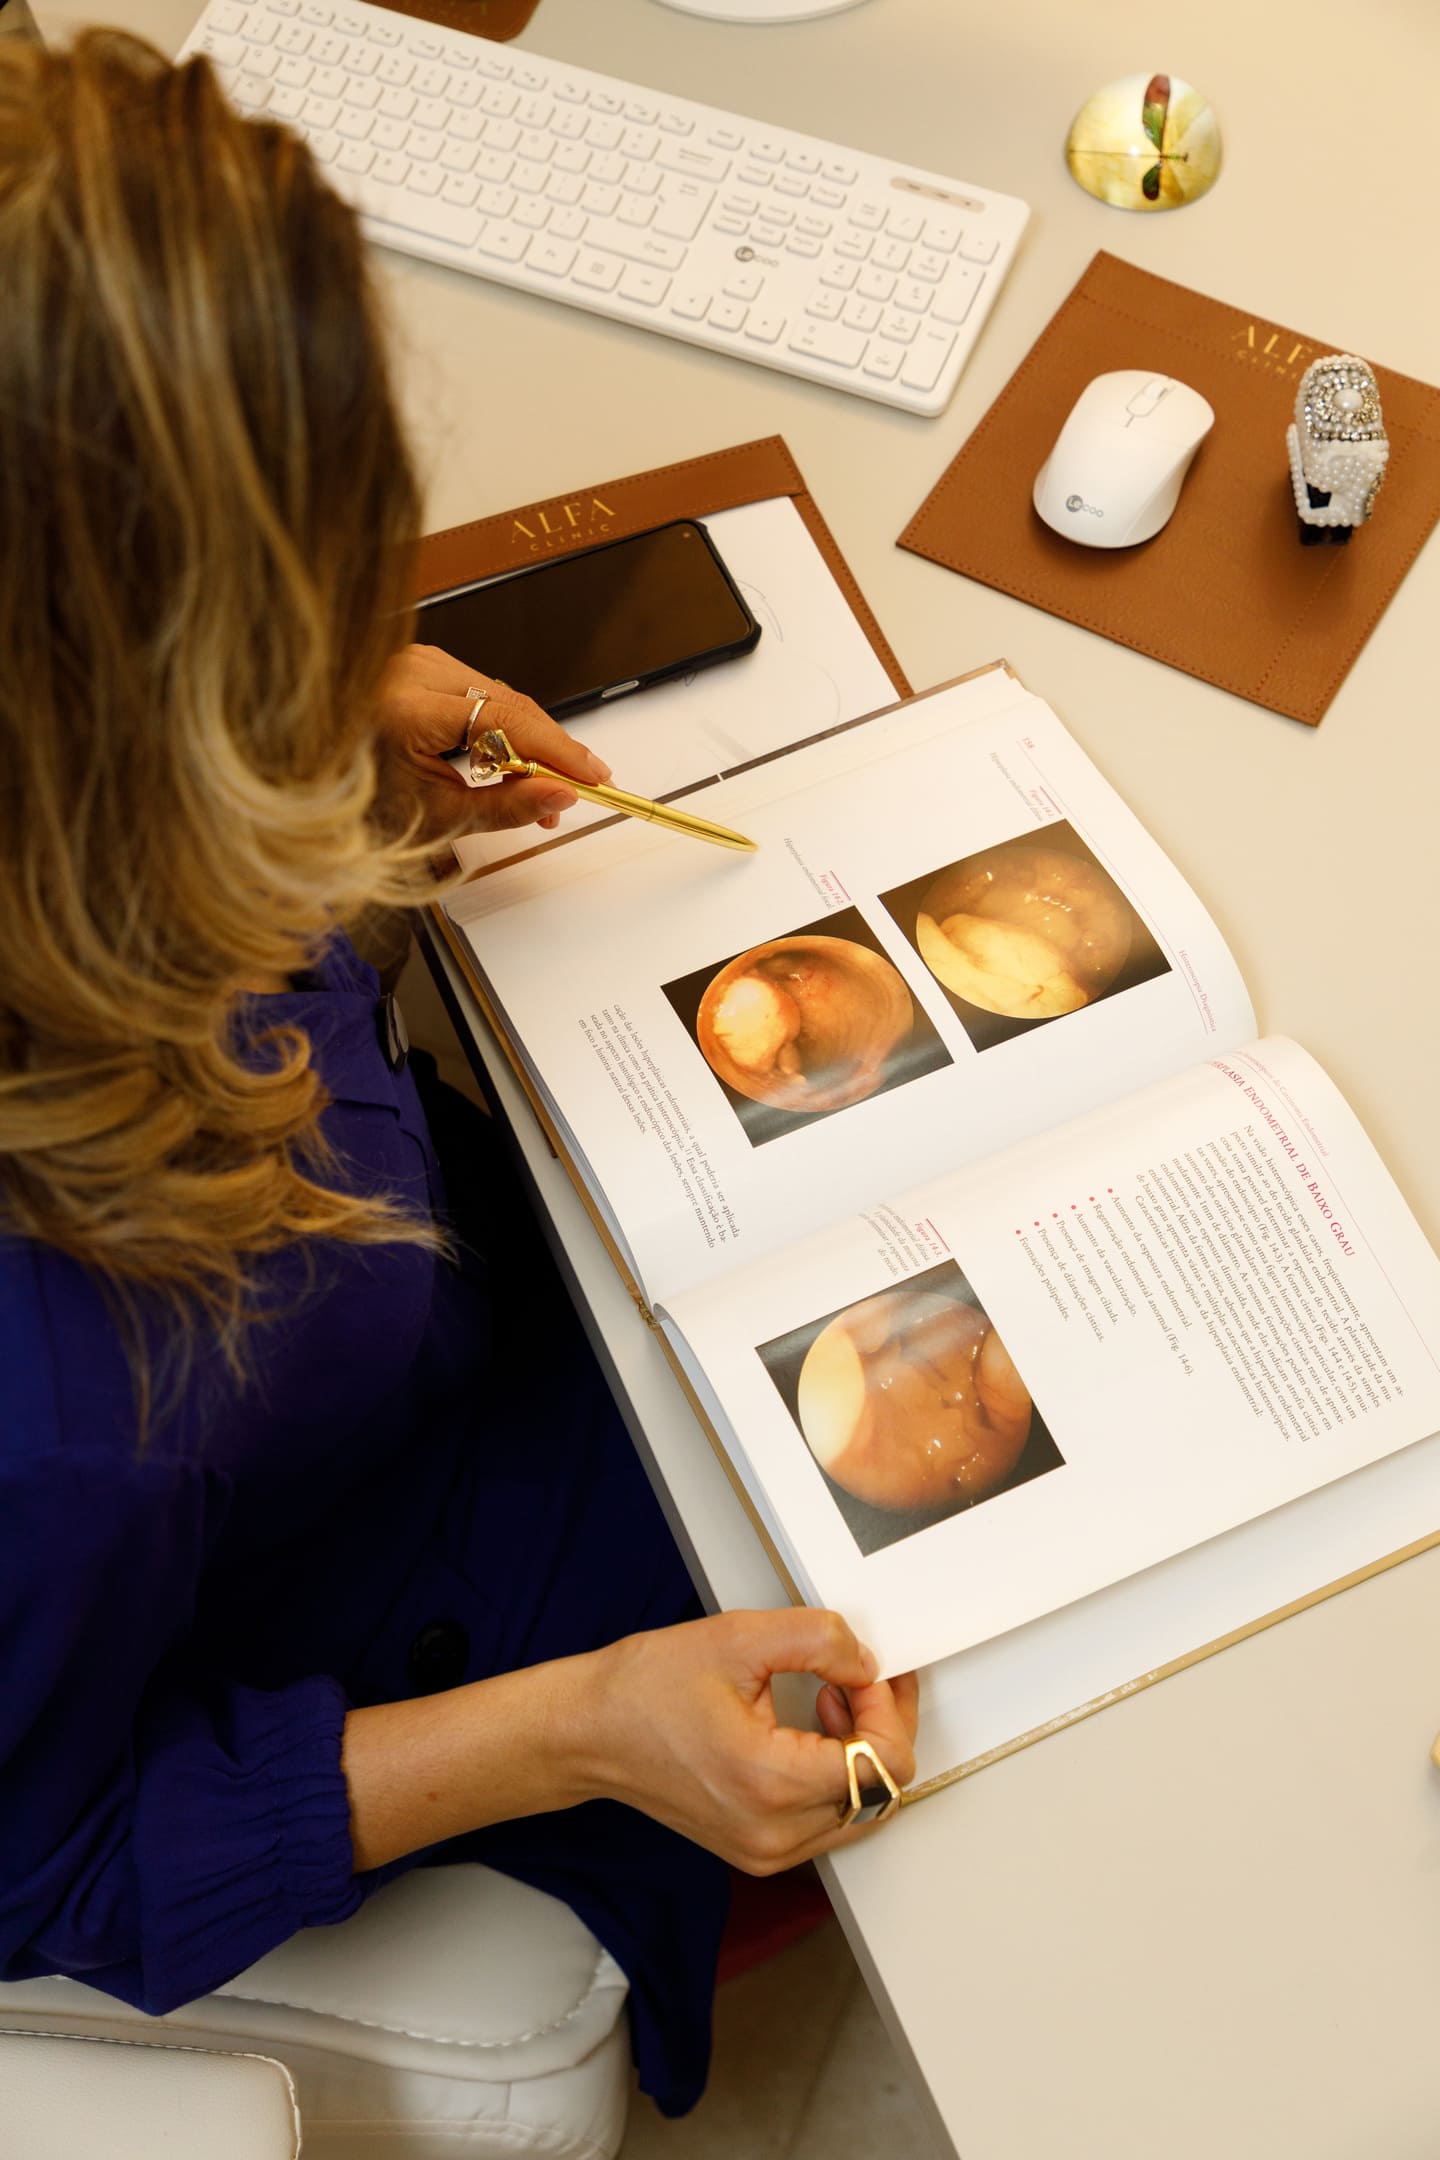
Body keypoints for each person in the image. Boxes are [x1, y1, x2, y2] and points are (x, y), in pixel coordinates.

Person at [0, 30, 917, 2116]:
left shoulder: (113, 839)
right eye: (307, 606)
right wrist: (589, 1729)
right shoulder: (57, 1419)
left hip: (436, 1298)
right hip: (350, 1609)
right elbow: (47, 1854)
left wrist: (327, 746)